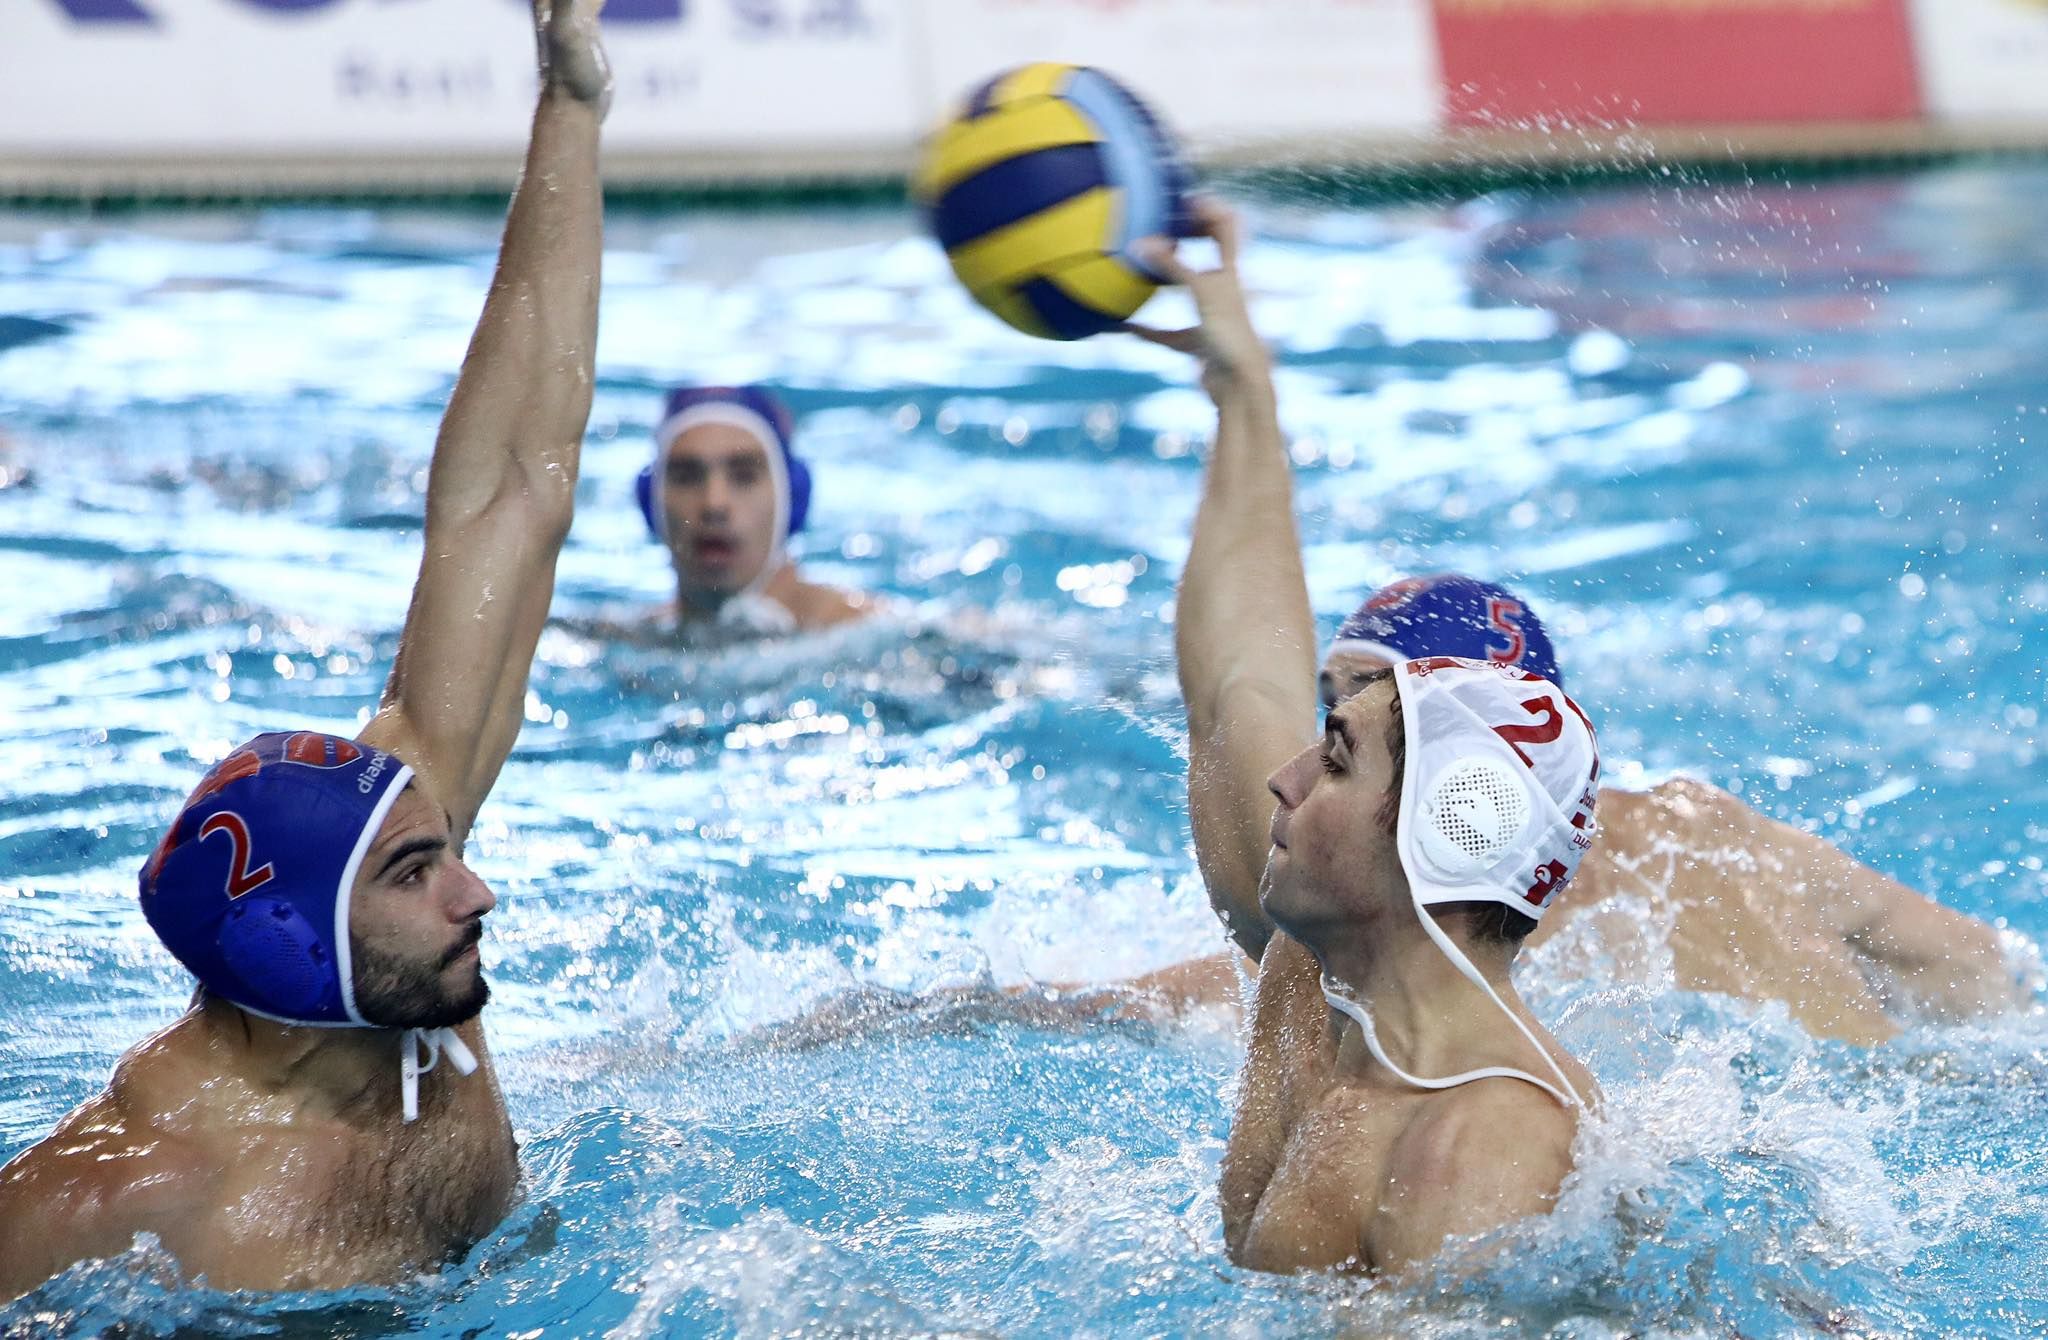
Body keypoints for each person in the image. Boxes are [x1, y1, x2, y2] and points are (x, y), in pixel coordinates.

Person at [0, 0, 610, 1299]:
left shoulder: (394, 944)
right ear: (292, 940)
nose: (474, 893)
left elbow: (515, 487)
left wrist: (570, 106)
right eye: (417, 872)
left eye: (440, 851)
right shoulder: (123, 1188)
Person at [1132, 208, 2022, 1052]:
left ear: (1464, 772)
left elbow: (1238, 683)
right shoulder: (1706, 832)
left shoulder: (1424, 935)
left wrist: (1244, 393)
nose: (1311, 748)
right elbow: (1975, 967)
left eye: (1355, 721)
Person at [634, 383, 872, 636]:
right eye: (687, 477)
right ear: (651, 503)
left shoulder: (865, 629)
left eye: (744, 476)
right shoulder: (633, 636)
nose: (714, 504)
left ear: (792, 498)